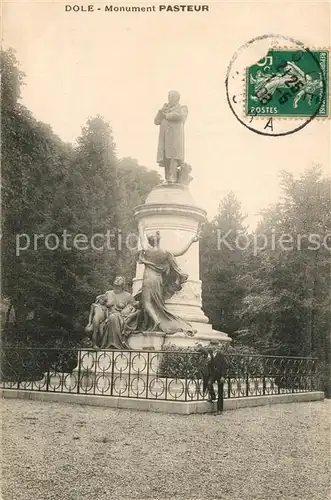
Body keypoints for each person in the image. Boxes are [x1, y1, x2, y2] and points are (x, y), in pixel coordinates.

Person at [126, 226, 198, 334]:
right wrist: (191, 241)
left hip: (149, 279)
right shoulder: (165, 252)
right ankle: (152, 320)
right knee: (156, 303)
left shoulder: (147, 249)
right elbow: (181, 252)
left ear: (150, 241)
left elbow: (141, 236)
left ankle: (157, 321)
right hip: (158, 281)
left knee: (147, 303)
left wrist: (141, 226)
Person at [154, 90, 188, 183]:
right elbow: (156, 121)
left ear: (177, 98)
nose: (169, 99)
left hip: (175, 137)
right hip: (165, 137)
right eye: (169, 97)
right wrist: (161, 111)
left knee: (173, 156)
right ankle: (168, 178)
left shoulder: (182, 107)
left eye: (172, 97)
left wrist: (166, 115)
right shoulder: (165, 109)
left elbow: (181, 116)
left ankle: (173, 177)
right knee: (166, 157)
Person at [98, 276, 136, 349]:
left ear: (123, 284)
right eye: (116, 279)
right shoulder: (108, 293)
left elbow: (135, 308)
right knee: (112, 317)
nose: (117, 280)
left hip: (121, 317)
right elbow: (100, 303)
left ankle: (116, 344)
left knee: (114, 317)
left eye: (120, 279)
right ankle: (111, 343)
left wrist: (130, 315)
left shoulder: (128, 296)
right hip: (107, 316)